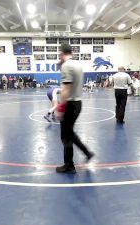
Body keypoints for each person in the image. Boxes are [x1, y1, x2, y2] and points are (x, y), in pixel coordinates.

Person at [55, 43, 94, 174]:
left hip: (70, 105)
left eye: (59, 53)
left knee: (66, 134)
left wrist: (60, 108)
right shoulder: (77, 65)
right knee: (68, 133)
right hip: (78, 103)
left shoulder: (67, 66)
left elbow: (66, 89)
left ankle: (71, 163)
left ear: (62, 53)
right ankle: (77, 158)